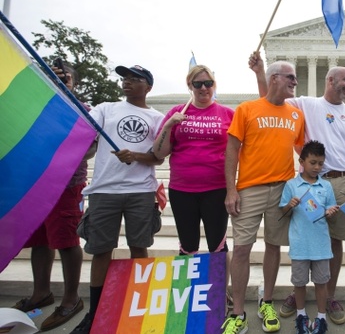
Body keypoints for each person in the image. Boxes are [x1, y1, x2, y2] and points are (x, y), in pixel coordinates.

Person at [250, 52, 345, 325]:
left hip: (340, 181)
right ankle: (298, 291)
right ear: (330, 80)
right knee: (303, 235)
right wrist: (259, 73)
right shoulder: (306, 104)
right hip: (308, 180)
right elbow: (271, 99)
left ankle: (329, 296)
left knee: (336, 240)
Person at [70, 65, 165, 334]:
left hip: (141, 191)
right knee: (100, 251)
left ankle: (139, 309)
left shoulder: (156, 118)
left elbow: (158, 157)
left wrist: (135, 156)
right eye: (125, 78)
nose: (127, 83)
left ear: (148, 87)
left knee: (139, 248)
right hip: (104, 191)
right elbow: (83, 129)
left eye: (136, 79)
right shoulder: (105, 109)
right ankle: (95, 313)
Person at [222, 61, 305, 334]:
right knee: (242, 249)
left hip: (282, 189)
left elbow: (304, 152)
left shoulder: (296, 115)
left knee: (274, 246)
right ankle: (237, 313)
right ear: (274, 79)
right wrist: (231, 189)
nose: (295, 81)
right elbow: (232, 149)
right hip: (249, 189)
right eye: (290, 77)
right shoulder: (247, 109)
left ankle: (266, 302)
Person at [11, 63, 96, 332]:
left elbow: (89, 147)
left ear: (75, 82)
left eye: (65, 77)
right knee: (40, 240)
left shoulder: (82, 110)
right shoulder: (36, 107)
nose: (59, 81)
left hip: (66, 184)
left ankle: (71, 299)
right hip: (34, 184)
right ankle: (41, 292)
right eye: (53, 76)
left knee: (66, 240)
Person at [152, 64, 234, 307]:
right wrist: (169, 125)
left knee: (217, 245)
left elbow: (237, 152)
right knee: (187, 244)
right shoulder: (177, 112)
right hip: (182, 190)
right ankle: (185, 292)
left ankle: (220, 292)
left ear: (214, 85)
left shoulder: (227, 114)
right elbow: (158, 153)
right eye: (197, 84)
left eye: (208, 83)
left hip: (216, 188)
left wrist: (233, 189)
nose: (203, 88)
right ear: (190, 86)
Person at [280, 140, 339, 334]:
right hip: (300, 244)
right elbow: (284, 212)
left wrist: (331, 211)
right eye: (313, 162)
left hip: (321, 244)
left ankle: (321, 318)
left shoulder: (326, 186)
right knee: (299, 282)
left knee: (321, 282)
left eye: (321, 163)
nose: (317, 167)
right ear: (302, 161)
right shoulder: (292, 185)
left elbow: (330, 207)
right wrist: (290, 204)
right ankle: (301, 315)